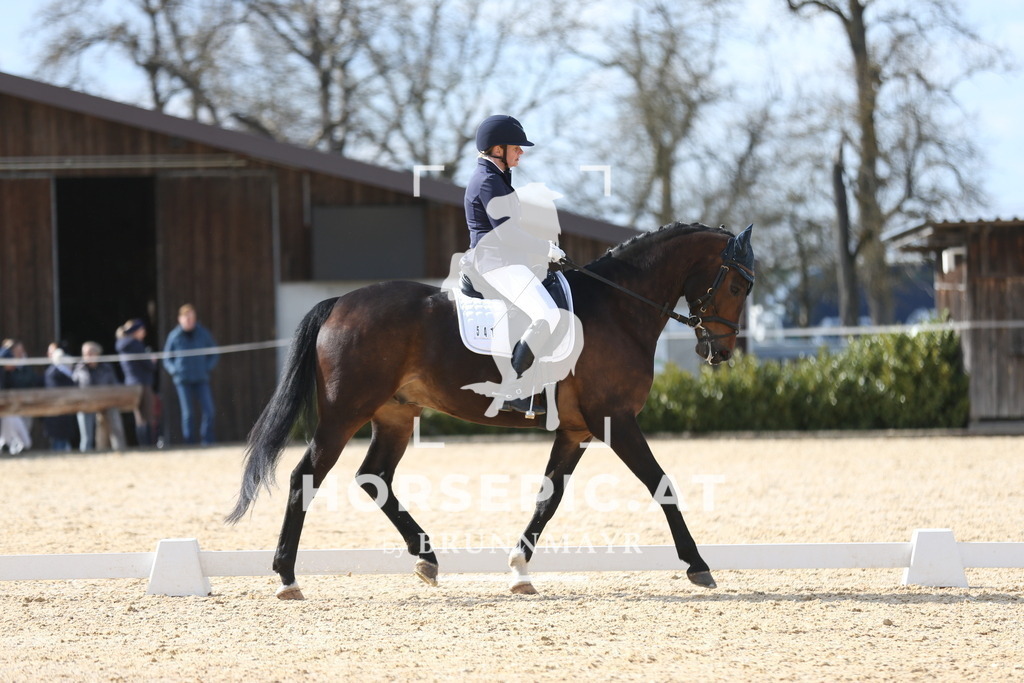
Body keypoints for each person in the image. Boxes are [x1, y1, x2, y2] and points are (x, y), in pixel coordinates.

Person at [462, 115, 567, 411]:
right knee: (547, 314)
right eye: (516, 147)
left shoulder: (496, 177)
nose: (521, 152)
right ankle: (514, 388)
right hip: (495, 263)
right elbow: (506, 232)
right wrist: (544, 248)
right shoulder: (487, 180)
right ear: (498, 149)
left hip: (505, 259)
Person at [163, 304, 218, 445]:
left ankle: (207, 441)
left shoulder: (203, 333)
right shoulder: (174, 336)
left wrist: (207, 367)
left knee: (209, 411)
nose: (190, 321)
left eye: (192, 318)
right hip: (183, 380)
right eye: (187, 318)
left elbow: (214, 352)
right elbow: (166, 358)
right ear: (180, 319)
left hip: (201, 378)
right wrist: (175, 370)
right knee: (188, 414)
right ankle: (190, 443)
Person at [73, 341, 127, 452]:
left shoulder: (107, 368)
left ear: (97, 353)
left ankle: (120, 451)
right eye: (85, 353)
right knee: (87, 436)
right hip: (86, 404)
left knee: (116, 427)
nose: (88, 356)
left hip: (106, 402)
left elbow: (115, 384)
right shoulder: (79, 368)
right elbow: (75, 387)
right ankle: (84, 456)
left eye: (90, 353)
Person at [116, 319, 158, 446]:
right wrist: (152, 361)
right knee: (148, 417)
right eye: (142, 330)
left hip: (131, 383)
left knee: (139, 417)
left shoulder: (123, 345)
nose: (144, 333)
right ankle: (149, 445)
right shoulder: (136, 345)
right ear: (136, 331)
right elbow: (148, 365)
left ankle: (142, 444)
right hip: (143, 383)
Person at [0, 339, 40, 454]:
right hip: (8, 407)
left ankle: (7, 444)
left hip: (8, 408)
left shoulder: (6, 373)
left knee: (10, 419)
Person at [42, 342, 79, 451]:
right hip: (56, 412)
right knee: (58, 441)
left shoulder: (64, 372)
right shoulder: (53, 372)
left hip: (64, 412)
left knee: (63, 440)